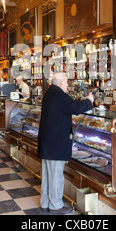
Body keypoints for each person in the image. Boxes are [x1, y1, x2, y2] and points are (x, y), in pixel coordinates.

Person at [38, 73, 94, 214]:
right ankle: (56, 205)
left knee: (47, 175)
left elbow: (67, 108)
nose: (68, 86)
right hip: (56, 143)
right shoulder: (59, 95)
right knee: (56, 175)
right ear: (61, 83)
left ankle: (45, 202)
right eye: (67, 83)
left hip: (48, 142)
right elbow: (75, 107)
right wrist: (89, 101)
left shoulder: (50, 93)